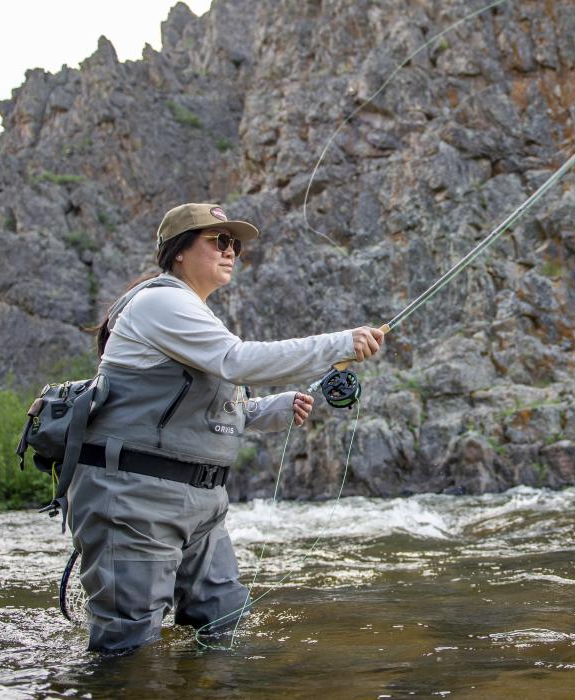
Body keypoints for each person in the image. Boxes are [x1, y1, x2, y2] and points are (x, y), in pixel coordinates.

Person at [69, 202, 384, 652]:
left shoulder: (193, 313)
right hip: (135, 499)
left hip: (201, 503)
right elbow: (237, 361)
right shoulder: (160, 302)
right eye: (218, 241)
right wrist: (339, 342)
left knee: (223, 620)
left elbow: (213, 405)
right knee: (128, 645)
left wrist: (272, 407)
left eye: (234, 244)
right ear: (179, 251)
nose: (231, 251)